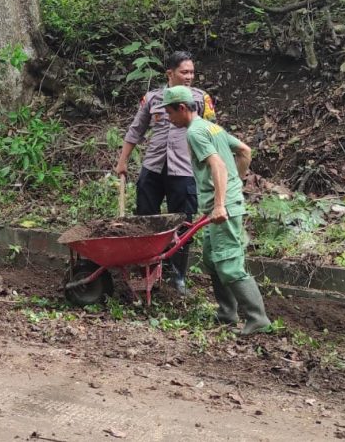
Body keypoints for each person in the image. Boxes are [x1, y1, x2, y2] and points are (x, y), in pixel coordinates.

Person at [161, 85, 270, 334]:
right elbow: (244, 151)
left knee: (228, 262)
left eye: (169, 113)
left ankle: (257, 318)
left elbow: (218, 165)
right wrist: (233, 185)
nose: (169, 118)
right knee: (212, 258)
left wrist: (222, 202)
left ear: (181, 108)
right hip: (218, 205)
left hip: (223, 208)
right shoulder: (213, 128)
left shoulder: (195, 133)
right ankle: (227, 314)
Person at [115, 51, 216, 295]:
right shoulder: (152, 98)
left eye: (192, 72)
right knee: (145, 220)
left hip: (184, 171)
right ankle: (146, 272)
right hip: (153, 168)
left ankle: (176, 277)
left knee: (183, 223)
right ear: (169, 73)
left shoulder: (201, 99)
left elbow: (213, 132)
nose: (189, 76)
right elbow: (135, 131)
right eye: (184, 72)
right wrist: (122, 162)